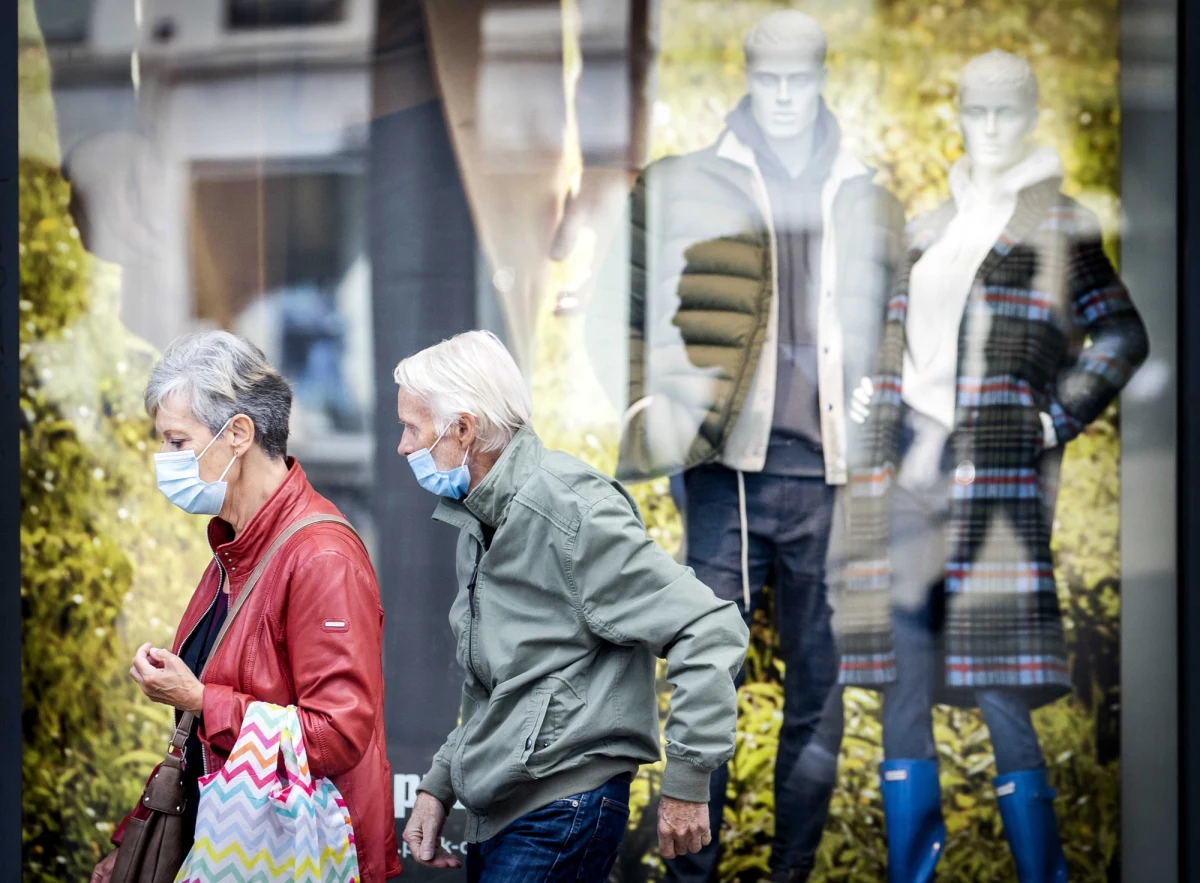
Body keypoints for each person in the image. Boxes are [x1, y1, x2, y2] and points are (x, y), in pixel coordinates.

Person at [589, 10, 904, 882]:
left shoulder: (866, 191)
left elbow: (893, 316)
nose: (787, 95)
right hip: (724, 472)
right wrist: (656, 403)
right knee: (706, 680)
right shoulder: (684, 183)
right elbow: (617, 306)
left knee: (819, 691)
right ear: (747, 79)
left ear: (825, 77)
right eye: (770, 77)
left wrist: (884, 385)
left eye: (802, 77)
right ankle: (691, 872)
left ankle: (792, 870)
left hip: (833, 478)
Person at [834, 50, 1149, 882]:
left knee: (1001, 685)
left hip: (993, 481)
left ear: (1032, 117)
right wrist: (878, 388)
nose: (994, 126)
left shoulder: (1061, 223)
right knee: (903, 686)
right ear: (962, 117)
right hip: (905, 479)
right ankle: (913, 874)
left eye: (1010, 111)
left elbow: (1121, 332)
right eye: (979, 110)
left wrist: (1056, 414)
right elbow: (902, 336)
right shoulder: (928, 226)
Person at [395, 330, 749, 882]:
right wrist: (438, 787)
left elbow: (709, 627)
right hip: (504, 812)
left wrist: (687, 782)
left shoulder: (571, 510)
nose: (403, 446)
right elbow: (492, 685)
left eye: (412, 428)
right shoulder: (477, 518)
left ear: (464, 428)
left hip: (562, 808)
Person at [90, 331, 401, 883]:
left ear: (238, 434)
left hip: (303, 856)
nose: (164, 460)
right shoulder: (235, 547)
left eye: (177, 442)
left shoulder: (319, 557)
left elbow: (339, 733)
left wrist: (200, 699)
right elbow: (196, 744)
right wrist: (137, 841)